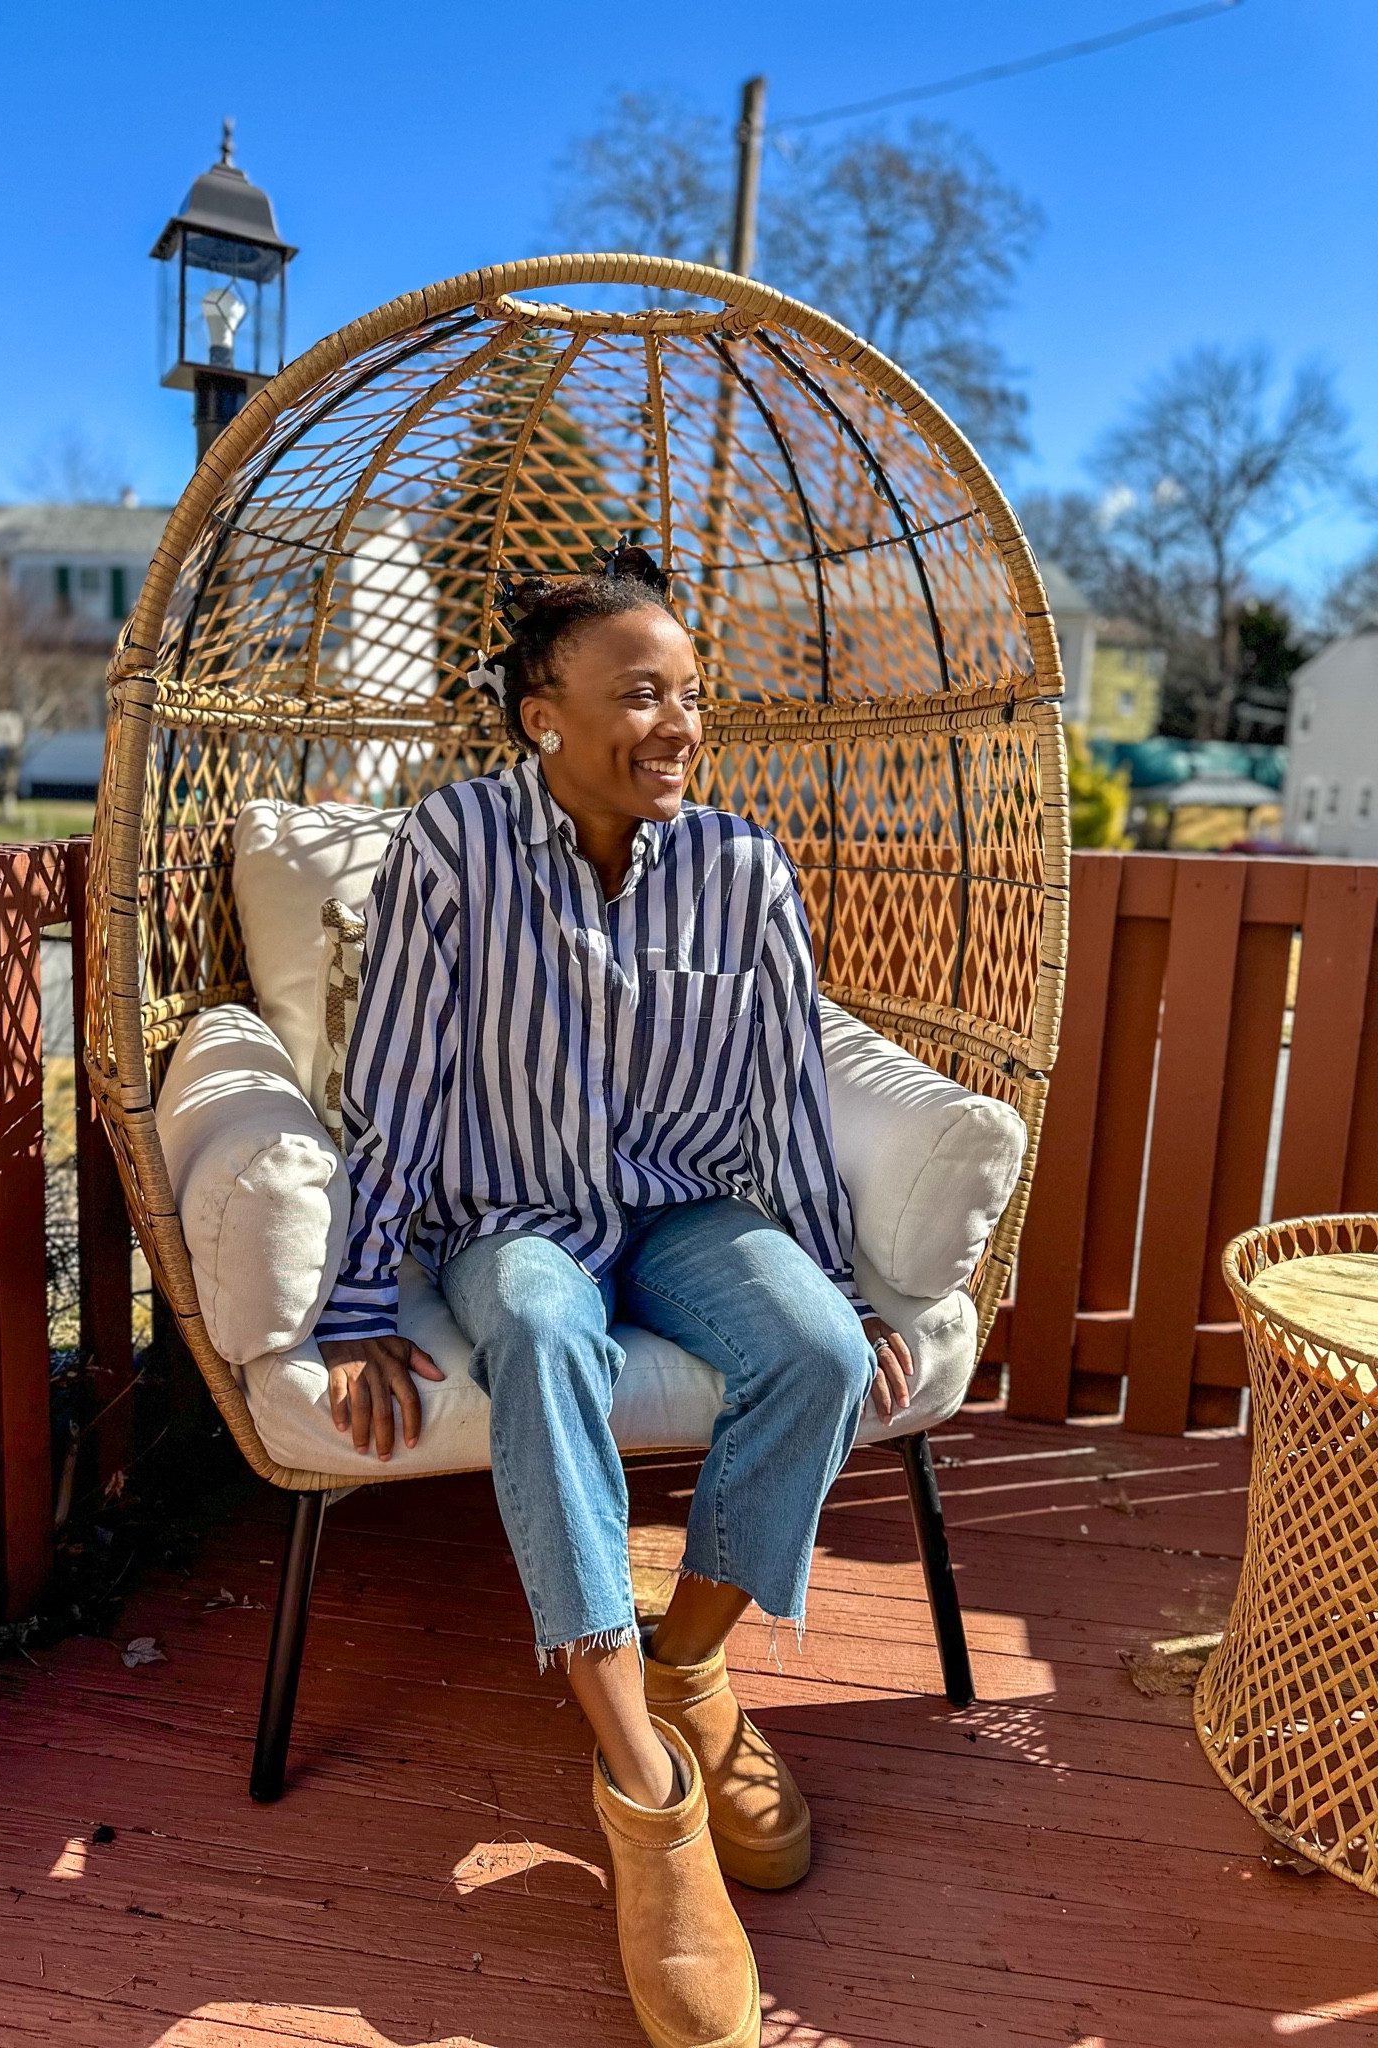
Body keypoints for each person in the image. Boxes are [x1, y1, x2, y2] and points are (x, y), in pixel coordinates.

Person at [315, 547, 913, 2048]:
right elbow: (391, 1084)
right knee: (534, 1326)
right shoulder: (453, 845)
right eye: (642, 693)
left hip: (684, 1210)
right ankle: (645, 1785)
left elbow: (786, 1096)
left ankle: (690, 1659)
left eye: (692, 694)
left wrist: (844, 1290)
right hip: (511, 1215)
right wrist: (355, 1307)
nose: (680, 723)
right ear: (545, 715)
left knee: (818, 1351)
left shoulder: (741, 869)